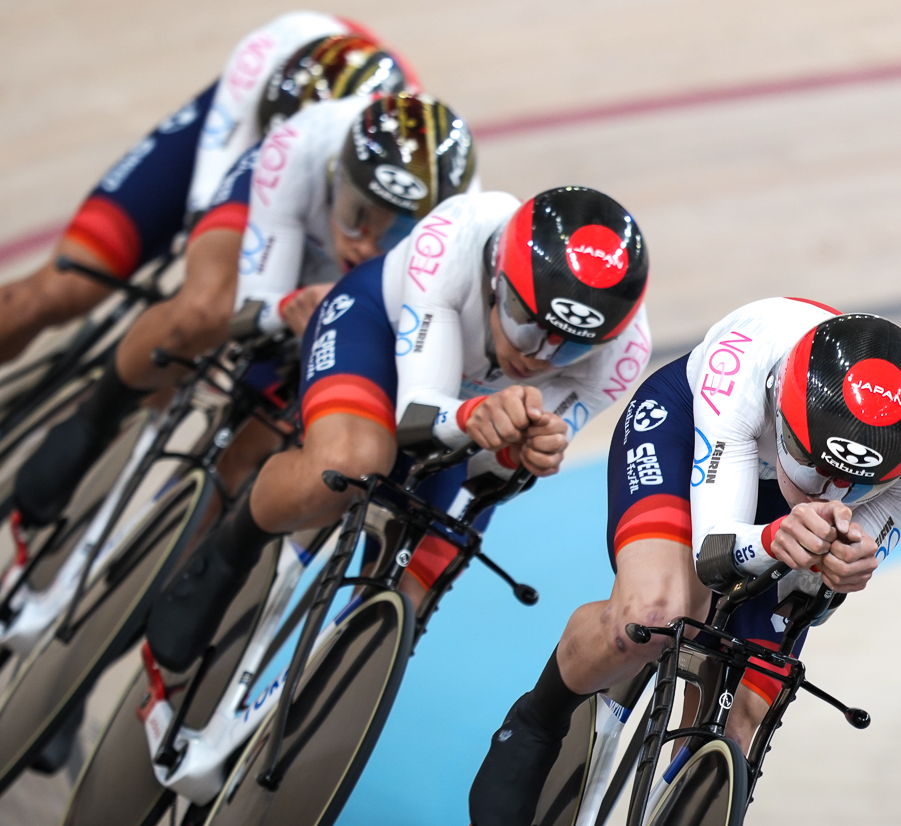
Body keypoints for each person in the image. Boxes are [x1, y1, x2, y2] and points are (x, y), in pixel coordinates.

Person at [463, 297, 901, 826]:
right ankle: (539, 717)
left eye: (853, 483)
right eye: (812, 465)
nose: (825, 490)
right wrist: (777, 538)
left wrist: (845, 570)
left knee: (751, 709)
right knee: (655, 615)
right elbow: (716, 558)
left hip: (785, 496)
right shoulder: (750, 358)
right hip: (696, 438)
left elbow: (817, 595)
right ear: (781, 401)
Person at [0, 14, 407, 508]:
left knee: (260, 410)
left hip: (328, 210)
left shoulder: (399, 161)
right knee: (64, 291)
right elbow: (213, 194)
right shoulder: (271, 60)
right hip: (236, 159)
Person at [141, 184, 655, 672]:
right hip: (379, 337)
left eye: (565, 346)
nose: (534, 355)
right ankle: (230, 548)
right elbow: (415, 416)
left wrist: (520, 453)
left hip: (464, 410)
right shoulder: (455, 238)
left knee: (411, 599)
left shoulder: (623, 354)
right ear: (497, 279)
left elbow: (488, 475)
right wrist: (477, 416)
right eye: (525, 324)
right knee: (347, 465)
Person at [7, 89, 475, 526]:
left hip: (353, 288)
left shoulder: (454, 237)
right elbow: (250, 307)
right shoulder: (304, 145)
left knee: (267, 437)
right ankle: (93, 420)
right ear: (338, 174)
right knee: (204, 312)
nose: (365, 241)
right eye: (357, 213)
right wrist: (286, 304)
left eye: (393, 233)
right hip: (279, 224)